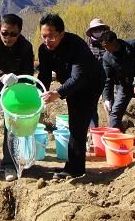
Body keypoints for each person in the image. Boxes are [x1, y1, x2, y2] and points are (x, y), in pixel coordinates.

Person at [38, 13, 105, 180]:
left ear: (62, 34)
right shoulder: (43, 50)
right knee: (75, 122)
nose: (47, 41)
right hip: (72, 83)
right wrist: (38, 92)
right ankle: (73, 165)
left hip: (91, 83)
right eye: (44, 36)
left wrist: (58, 93)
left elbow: (79, 76)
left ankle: (75, 169)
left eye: (52, 37)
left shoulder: (75, 45)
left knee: (77, 124)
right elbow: (45, 75)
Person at [0, 14, 34, 182]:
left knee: (12, 123)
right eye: (5, 33)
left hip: (14, 87)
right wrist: (2, 76)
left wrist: (22, 85)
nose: (8, 37)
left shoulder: (25, 46)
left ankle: (9, 164)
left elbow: (28, 71)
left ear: (19, 33)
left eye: (13, 34)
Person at [99, 31, 135, 131]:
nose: (106, 49)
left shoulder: (134, 45)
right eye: (103, 47)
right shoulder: (107, 57)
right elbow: (107, 80)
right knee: (115, 112)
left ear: (114, 41)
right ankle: (115, 138)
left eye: (107, 46)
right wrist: (107, 99)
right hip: (124, 85)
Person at [86, 18, 110, 127]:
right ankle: (94, 131)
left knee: (109, 105)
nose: (98, 31)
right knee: (91, 107)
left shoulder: (108, 42)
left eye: (100, 29)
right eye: (95, 29)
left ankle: (112, 132)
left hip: (108, 79)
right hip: (91, 80)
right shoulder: (86, 44)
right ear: (91, 31)